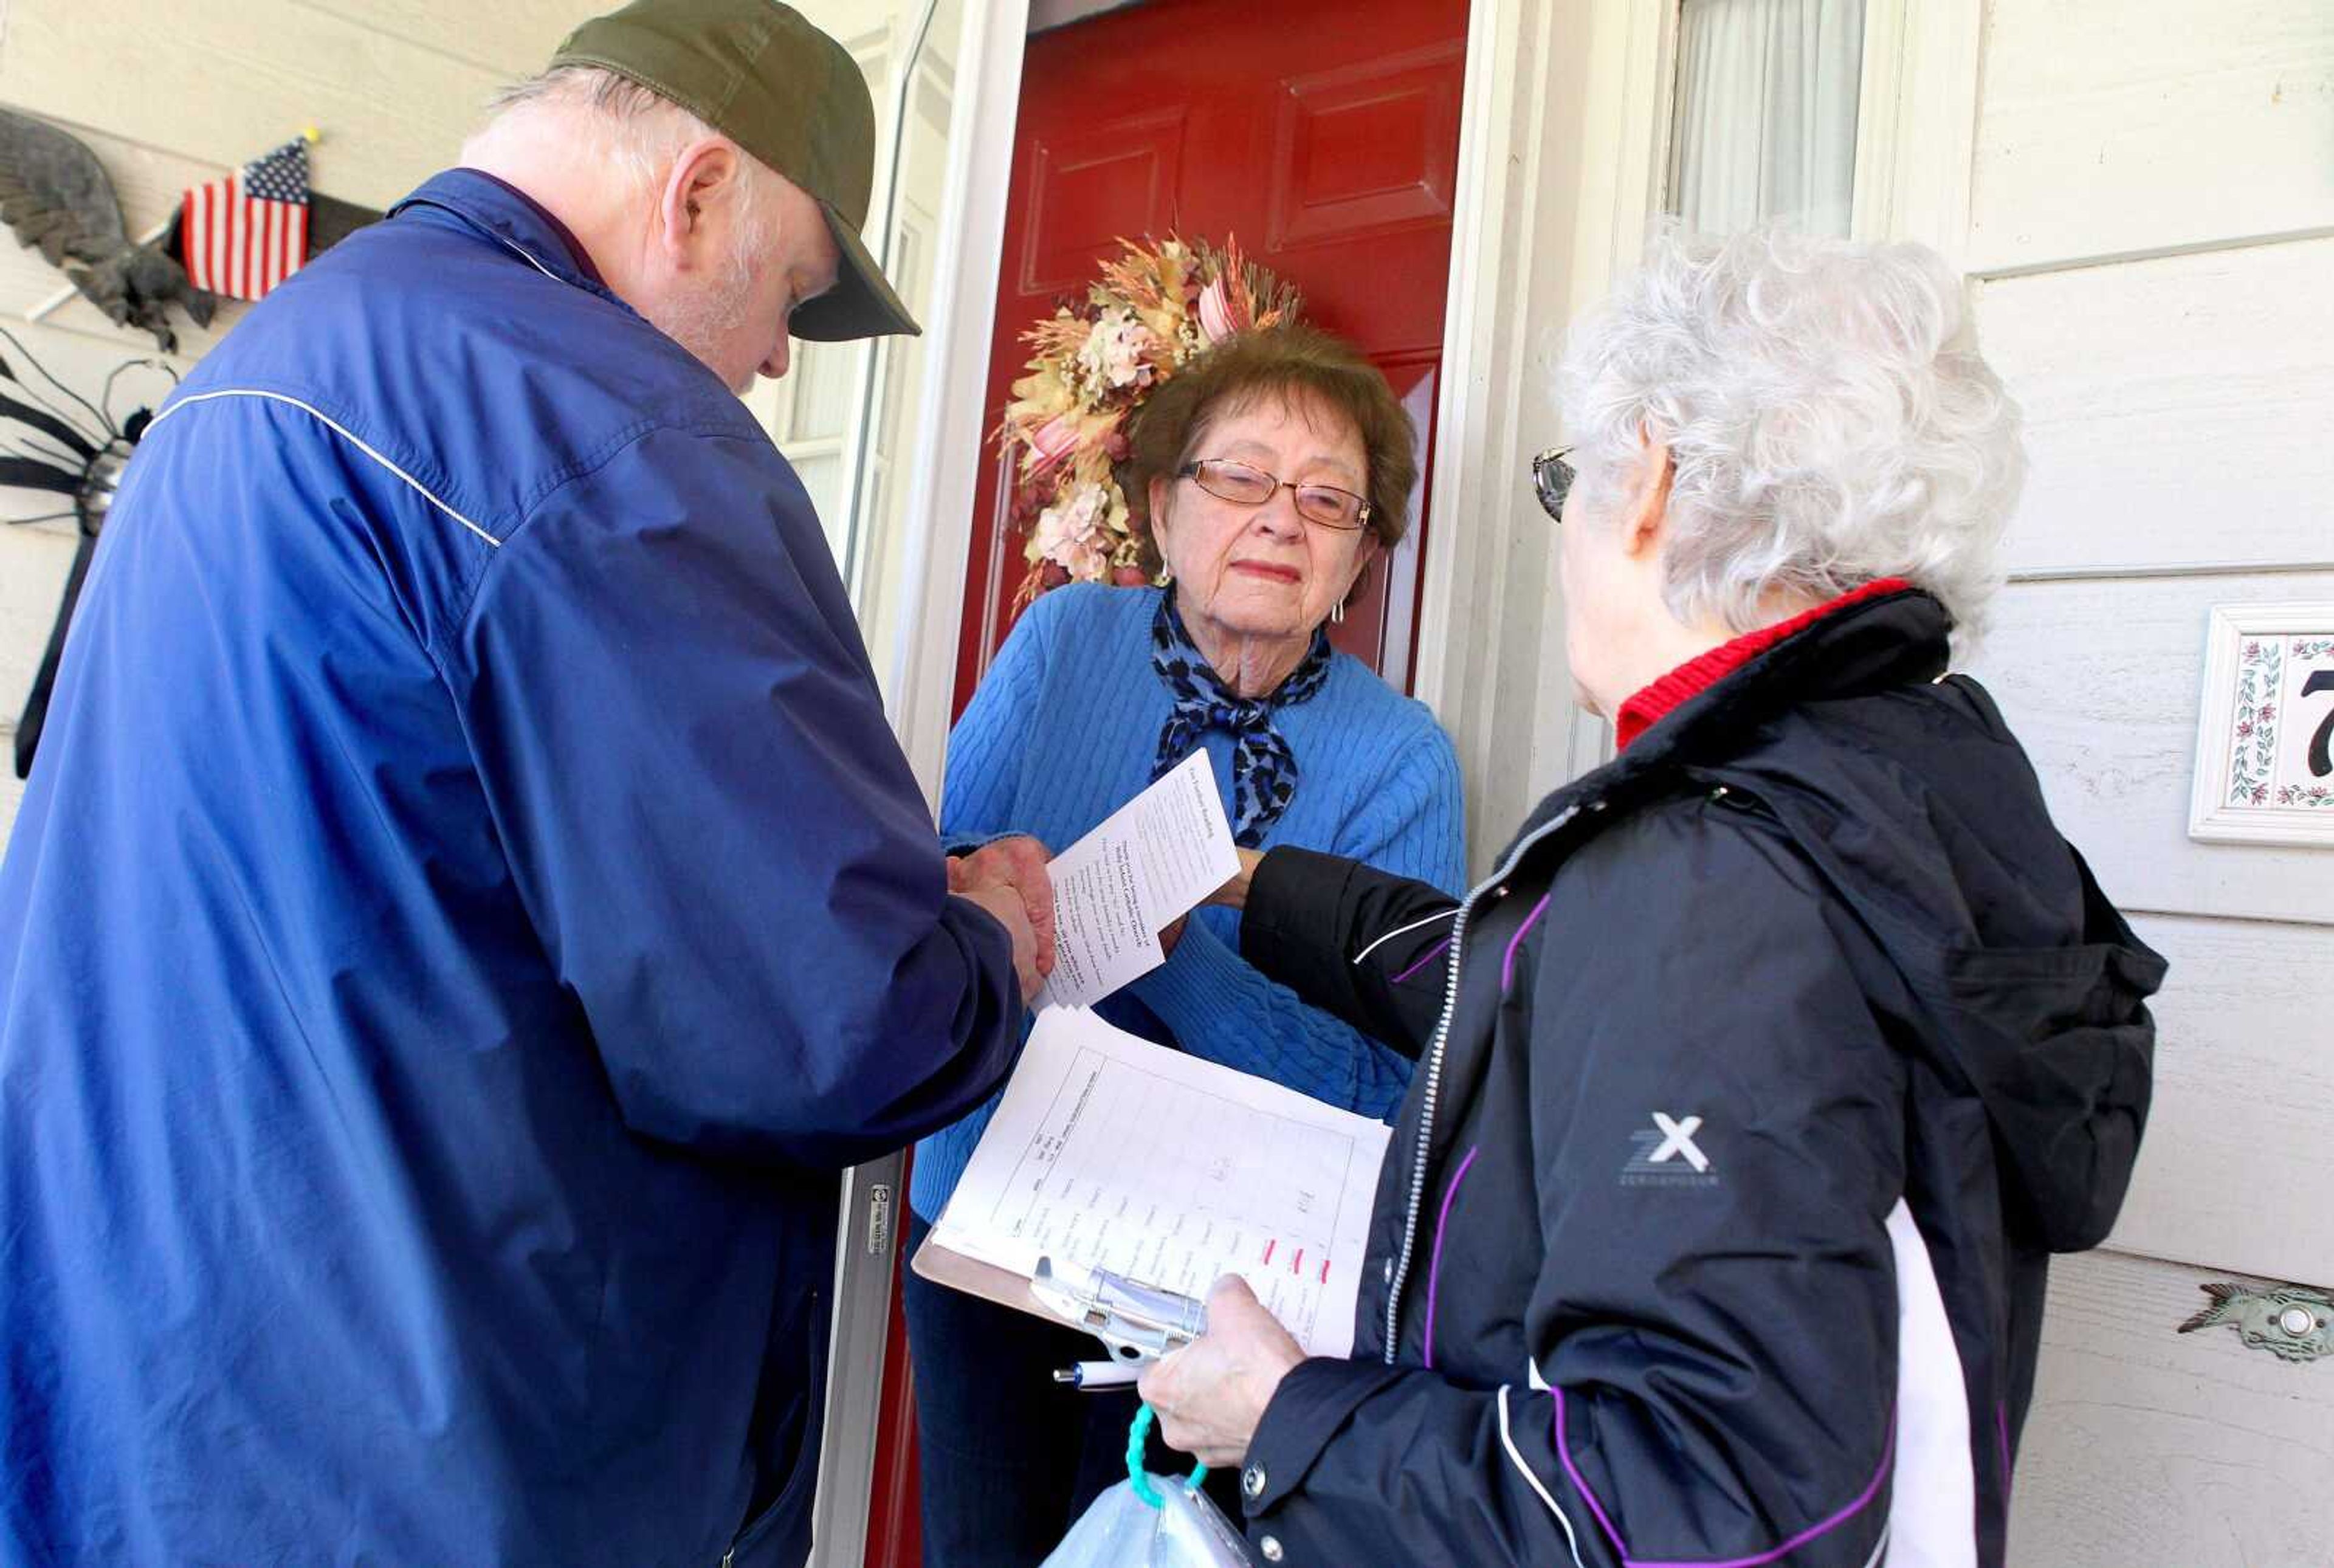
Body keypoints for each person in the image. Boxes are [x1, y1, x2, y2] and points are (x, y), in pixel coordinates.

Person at [0, 4, 1053, 1566]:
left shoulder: (270, 354)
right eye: (789, 296)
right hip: (419, 1430)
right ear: (696, 195)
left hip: (143, 1360)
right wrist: (992, 951)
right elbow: (829, 1032)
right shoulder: (602, 425)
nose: (773, 359)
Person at [1137, 226, 2166, 1568]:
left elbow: (1698, 1505)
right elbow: (1544, 991)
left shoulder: (1710, 874)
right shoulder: (1899, 781)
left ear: (1654, 485)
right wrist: (1255, 885)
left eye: (1573, 479)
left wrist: (1290, 1419)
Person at [903, 325, 1466, 1566]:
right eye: (1242, 477)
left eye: (1329, 498)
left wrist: (1184, 953)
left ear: (1363, 553)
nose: (1282, 519)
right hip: (998, 1219)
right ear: (1163, 506)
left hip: (1225, 1290)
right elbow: (931, 910)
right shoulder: (1060, 649)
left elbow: (1396, 1091)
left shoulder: (1401, 759)